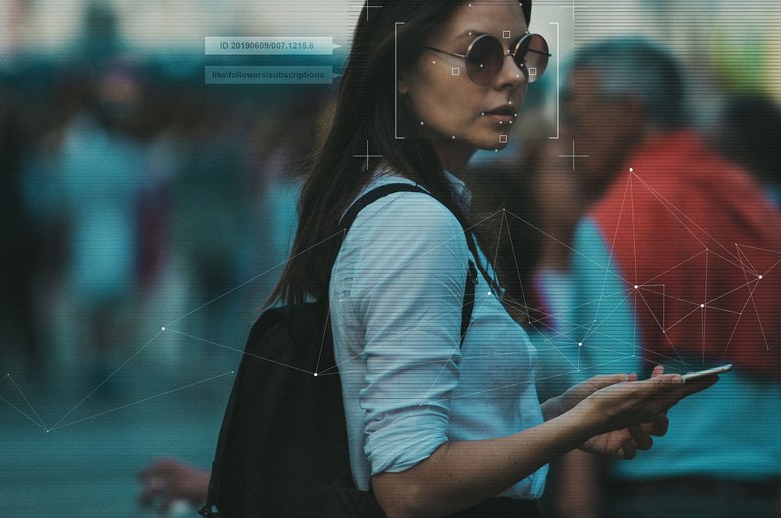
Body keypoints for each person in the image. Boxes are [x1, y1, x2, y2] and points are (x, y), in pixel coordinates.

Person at [141, 3, 717, 516]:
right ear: (404, 72)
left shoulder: (420, 208)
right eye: (482, 54)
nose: (515, 76)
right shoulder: (416, 223)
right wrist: (578, 423)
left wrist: (565, 414)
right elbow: (409, 485)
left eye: (525, 53)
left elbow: (440, 435)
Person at [563, 37, 781, 518]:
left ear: (628, 111)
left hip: (659, 487)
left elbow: (605, 390)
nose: (570, 137)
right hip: (765, 486)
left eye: (576, 115)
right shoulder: (758, 204)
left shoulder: (614, 219)